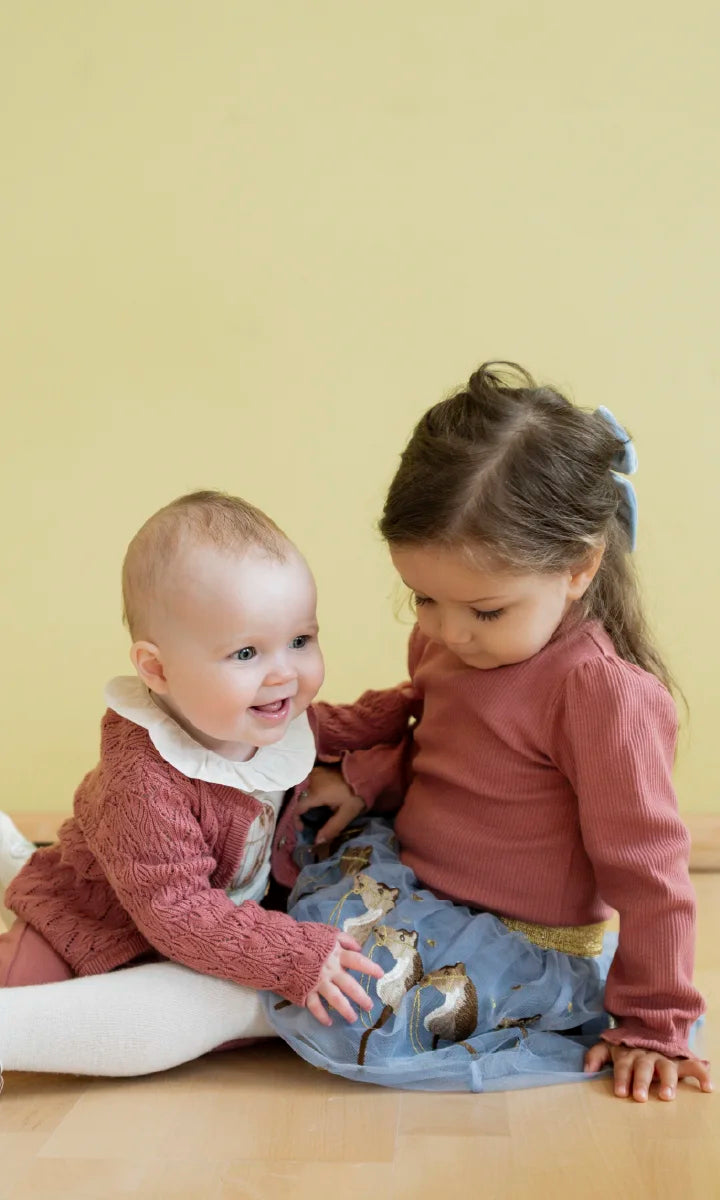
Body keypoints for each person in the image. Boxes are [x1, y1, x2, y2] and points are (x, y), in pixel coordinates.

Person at [0, 365, 711, 1100]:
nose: (445, 630)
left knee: (282, 985)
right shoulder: (451, 642)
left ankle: (122, 1007)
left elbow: (650, 870)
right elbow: (444, 742)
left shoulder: (601, 695)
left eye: (485, 611)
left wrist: (655, 1021)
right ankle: (94, 898)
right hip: (404, 874)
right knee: (259, 867)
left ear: (579, 567)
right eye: (422, 597)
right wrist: (366, 780)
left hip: (505, 937)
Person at [0, 490, 381, 1080]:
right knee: (23, 990)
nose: (285, 671)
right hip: (89, 923)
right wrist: (292, 953)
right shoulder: (143, 780)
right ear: (156, 669)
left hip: (204, 931)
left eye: (301, 640)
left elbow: (350, 725)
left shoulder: (269, 714)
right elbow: (176, 910)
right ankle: (22, 876)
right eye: (247, 652)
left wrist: (421, 705)